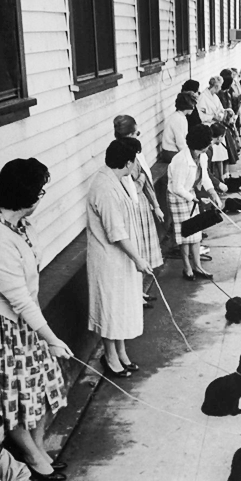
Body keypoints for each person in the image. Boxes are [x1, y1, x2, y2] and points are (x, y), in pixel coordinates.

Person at [0, 159, 71, 481]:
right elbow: (16, 297)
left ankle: (39, 447)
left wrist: (42, 333)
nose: (42, 196)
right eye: (39, 190)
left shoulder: (22, 226)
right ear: (26, 196)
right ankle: (33, 457)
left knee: (44, 386)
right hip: (3, 329)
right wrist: (51, 337)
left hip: (27, 321)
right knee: (14, 396)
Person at [86, 138, 152, 378]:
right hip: (109, 259)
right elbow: (116, 232)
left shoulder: (118, 180)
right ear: (127, 162)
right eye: (135, 160)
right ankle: (110, 356)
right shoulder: (104, 188)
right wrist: (139, 259)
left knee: (121, 306)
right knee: (110, 308)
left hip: (120, 258)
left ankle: (121, 351)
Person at [113, 116, 165, 307]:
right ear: (126, 135)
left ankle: (141, 291)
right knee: (136, 250)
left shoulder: (136, 152)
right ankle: (136, 294)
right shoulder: (119, 155)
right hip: (131, 208)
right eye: (135, 133)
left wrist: (156, 205)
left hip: (142, 205)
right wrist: (141, 180)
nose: (138, 136)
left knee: (143, 249)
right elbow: (129, 185)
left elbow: (147, 180)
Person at [167, 125, 222, 281]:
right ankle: (187, 267)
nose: (207, 148)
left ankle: (197, 266)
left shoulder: (202, 156)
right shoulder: (180, 160)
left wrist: (213, 193)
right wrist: (195, 199)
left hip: (190, 192)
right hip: (178, 197)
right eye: (204, 146)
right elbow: (177, 188)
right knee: (185, 233)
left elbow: (204, 178)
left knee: (196, 233)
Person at [160, 93, 195, 163]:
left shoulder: (181, 117)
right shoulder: (177, 119)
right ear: (187, 105)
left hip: (175, 150)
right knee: (191, 161)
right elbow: (180, 142)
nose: (194, 108)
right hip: (170, 152)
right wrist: (189, 155)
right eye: (193, 105)